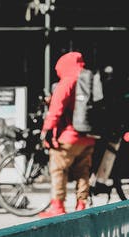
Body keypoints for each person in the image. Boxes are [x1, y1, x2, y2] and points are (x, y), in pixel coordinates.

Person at [40, 51, 97, 217]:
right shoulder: (89, 80)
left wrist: (47, 129)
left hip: (68, 136)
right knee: (83, 172)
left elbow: (56, 108)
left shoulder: (68, 81)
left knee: (58, 169)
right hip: (88, 136)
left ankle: (57, 206)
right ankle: (81, 205)